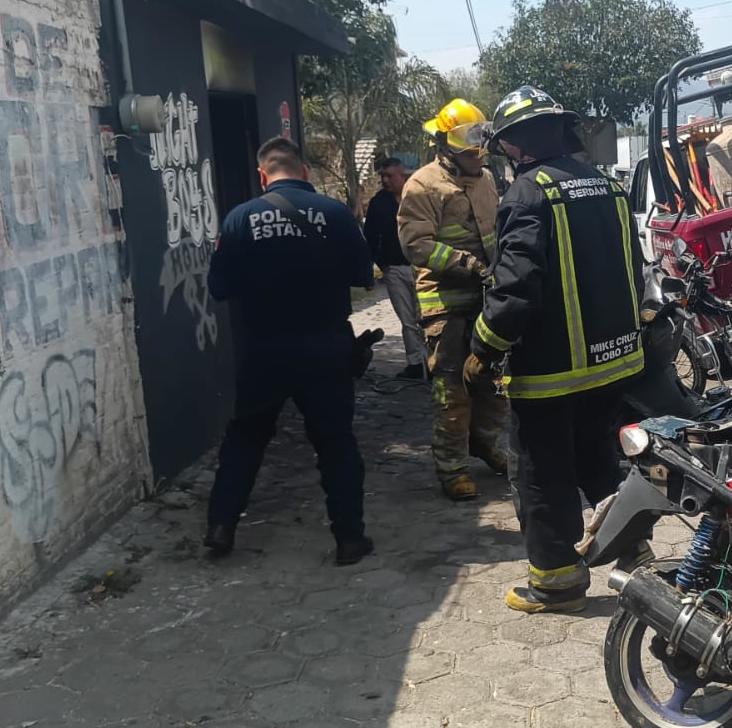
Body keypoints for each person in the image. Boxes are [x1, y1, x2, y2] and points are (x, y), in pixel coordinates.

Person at [464, 86, 645, 614]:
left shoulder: (527, 194)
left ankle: (557, 583)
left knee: (542, 474)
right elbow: (633, 270)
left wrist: (483, 347)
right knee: (599, 460)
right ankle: (634, 551)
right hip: (615, 361)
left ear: (514, 145)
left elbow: (516, 289)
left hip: (552, 372)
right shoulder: (608, 186)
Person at [204, 136, 376, 566]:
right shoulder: (335, 214)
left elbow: (219, 287)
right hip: (325, 346)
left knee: (246, 436)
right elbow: (363, 275)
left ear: (262, 176)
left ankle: (221, 527)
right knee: (335, 441)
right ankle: (349, 539)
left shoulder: (240, 218)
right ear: (305, 172)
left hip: (264, 348)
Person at [399, 99, 510, 501]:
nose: (477, 155)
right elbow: (416, 244)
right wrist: (467, 264)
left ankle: (483, 443)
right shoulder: (423, 185)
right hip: (445, 304)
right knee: (452, 392)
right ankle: (452, 469)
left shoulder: (487, 179)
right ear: (445, 145)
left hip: (487, 298)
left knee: (495, 384)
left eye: (480, 147)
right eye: (468, 149)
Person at [363, 158, 425, 380]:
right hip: (395, 268)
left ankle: (433, 360)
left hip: (422, 267)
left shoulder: (418, 197)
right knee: (408, 320)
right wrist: (370, 271)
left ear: (403, 176)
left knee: (427, 317)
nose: (385, 180)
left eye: (390, 176)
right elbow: (370, 238)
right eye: (382, 176)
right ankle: (415, 363)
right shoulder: (378, 203)